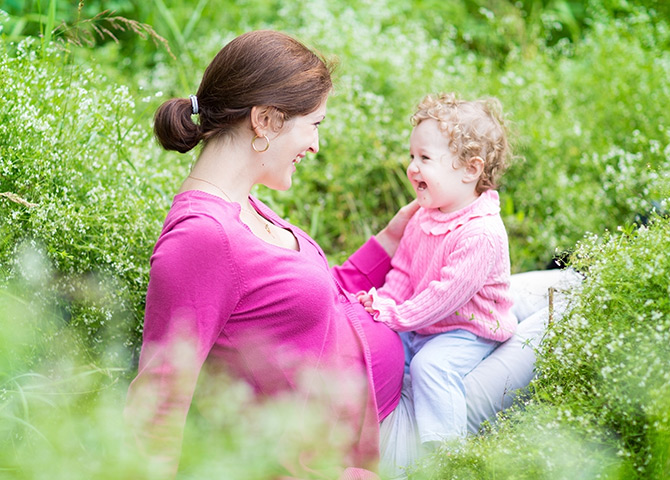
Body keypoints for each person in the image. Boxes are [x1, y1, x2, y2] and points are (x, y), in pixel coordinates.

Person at [123, 29, 580, 480]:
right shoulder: (200, 239)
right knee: (578, 305)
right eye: (314, 125)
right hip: (400, 420)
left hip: (411, 341)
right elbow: (159, 406)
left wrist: (388, 239)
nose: (315, 145)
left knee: (563, 285)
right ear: (265, 120)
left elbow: (315, 303)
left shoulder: (243, 205)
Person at [357, 92, 515, 455]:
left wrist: (395, 316)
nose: (412, 167)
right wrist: (384, 301)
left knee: (431, 366)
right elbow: (403, 271)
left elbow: (443, 297)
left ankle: (446, 454)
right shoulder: (424, 217)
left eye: (425, 158)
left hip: (469, 329)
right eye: (412, 156)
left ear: (470, 169)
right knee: (397, 358)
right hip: (426, 323)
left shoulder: (481, 233)